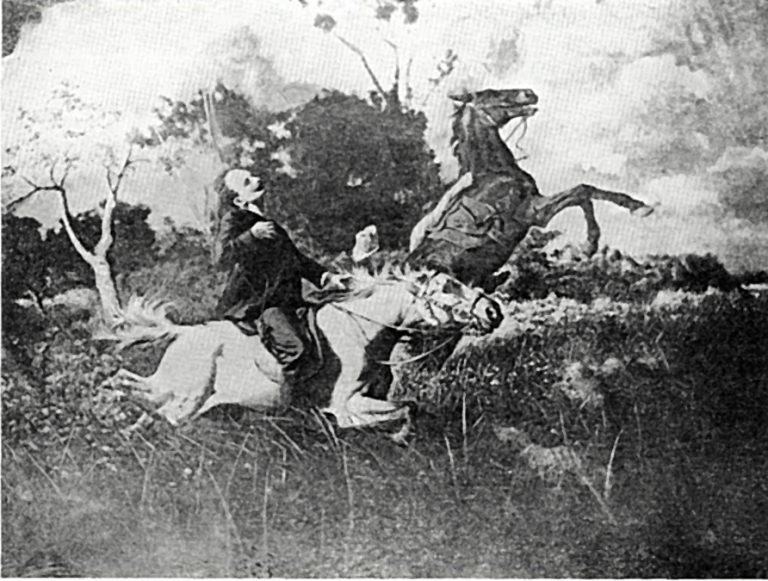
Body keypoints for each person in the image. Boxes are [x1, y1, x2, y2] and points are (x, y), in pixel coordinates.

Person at [214, 168, 349, 384]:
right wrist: (251, 235)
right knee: (296, 350)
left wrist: (327, 277)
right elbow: (220, 259)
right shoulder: (234, 219)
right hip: (259, 306)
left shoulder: (270, 224)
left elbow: (296, 259)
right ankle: (293, 403)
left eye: (253, 176)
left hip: (288, 301)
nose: (257, 179)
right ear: (239, 200)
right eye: (248, 181)